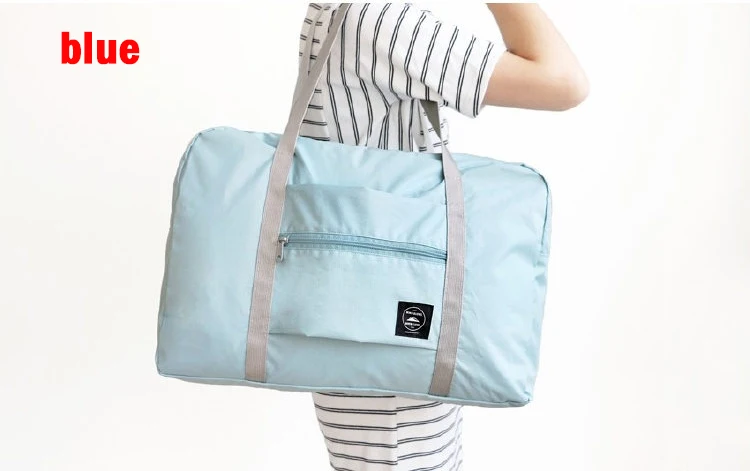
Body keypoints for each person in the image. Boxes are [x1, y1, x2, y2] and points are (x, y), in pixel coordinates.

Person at [297, 3, 588, 470]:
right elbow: (564, 82)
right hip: (395, 351)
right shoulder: (383, 21)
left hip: (365, 324)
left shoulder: (334, 8)